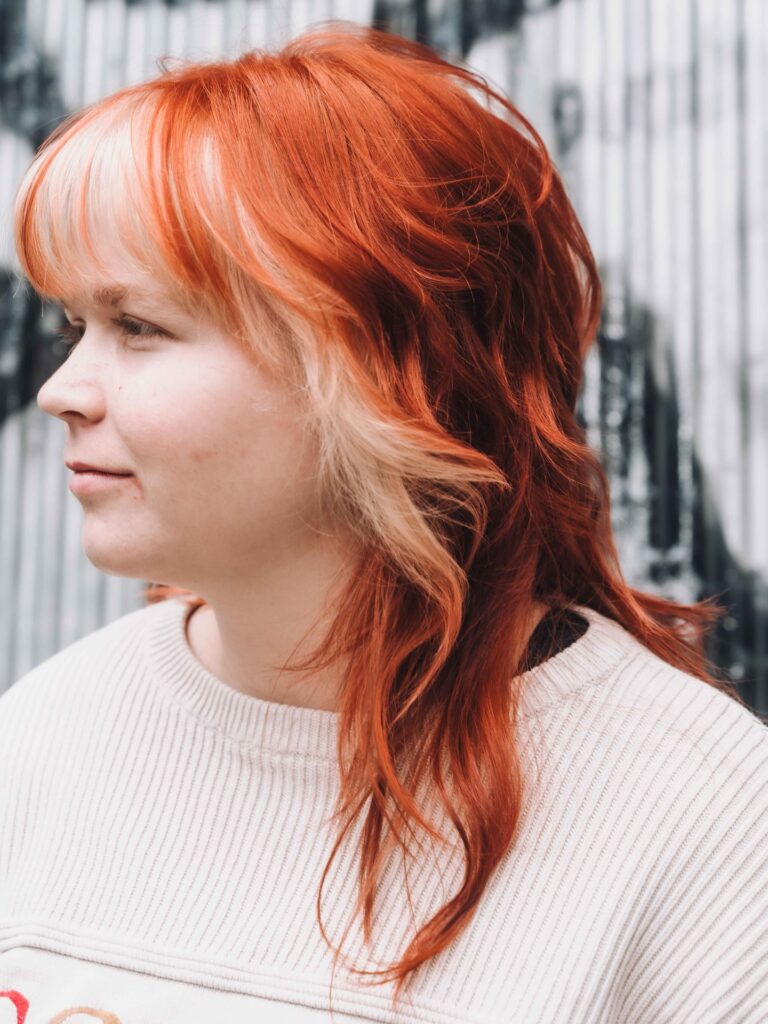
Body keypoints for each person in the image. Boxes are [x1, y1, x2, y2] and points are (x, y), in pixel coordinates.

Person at [0, 20, 766, 1023]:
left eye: (138, 326)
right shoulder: (50, 732)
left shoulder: (696, 810)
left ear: (384, 367)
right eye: (75, 326)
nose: (61, 389)